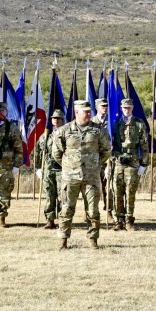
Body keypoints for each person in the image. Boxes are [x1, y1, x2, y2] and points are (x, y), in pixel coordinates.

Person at [53, 100, 110, 250]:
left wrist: (94, 165)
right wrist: (69, 166)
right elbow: (57, 153)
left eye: (90, 111)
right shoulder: (64, 131)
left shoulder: (99, 130)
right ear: (77, 112)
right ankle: (63, 240)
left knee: (92, 211)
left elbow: (106, 151)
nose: (89, 114)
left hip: (91, 177)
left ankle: (93, 239)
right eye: (85, 111)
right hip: (70, 177)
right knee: (66, 209)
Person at [111, 98, 149, 231]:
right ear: (121, 109)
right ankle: (118, 220)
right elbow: (111, 143)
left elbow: (144, 145)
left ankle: (129, 220)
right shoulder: (115, 123)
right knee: (117, 191)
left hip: (133, 161)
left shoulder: (139, 123)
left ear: (132, 108)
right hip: (118, 160)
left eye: (129, 108)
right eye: (124, 108)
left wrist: (143, 164)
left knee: (130, 192)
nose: (126, 110)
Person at [0, 102, 23, 228]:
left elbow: (19, 148)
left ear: (6, 112)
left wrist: (16, 165)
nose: (0, 114)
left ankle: (2, 218)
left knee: (4, 193)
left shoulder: (12, 128)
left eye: (2, 111)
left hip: (6, 166)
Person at [35, 109, 64, 229]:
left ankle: (63, 220)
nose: (56, 120)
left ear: (62, 120)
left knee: (63, 196)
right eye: (54, 118)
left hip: (62, 169)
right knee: (49, 194)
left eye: (58, 118)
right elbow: (39, 152)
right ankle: (50, 220)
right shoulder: (46, 135)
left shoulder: (66, 134)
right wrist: (38, 168)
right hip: (48, 168)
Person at [91, 97, 114, 223]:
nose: (105, 108)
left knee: (108, 187)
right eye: (102, 106)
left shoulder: (112, 122)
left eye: (106, 106)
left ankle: (109, 211)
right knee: (91, 187)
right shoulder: (90, 122)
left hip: (107, 159)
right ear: (97, 107)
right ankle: (89, 211)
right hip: (92, 160)